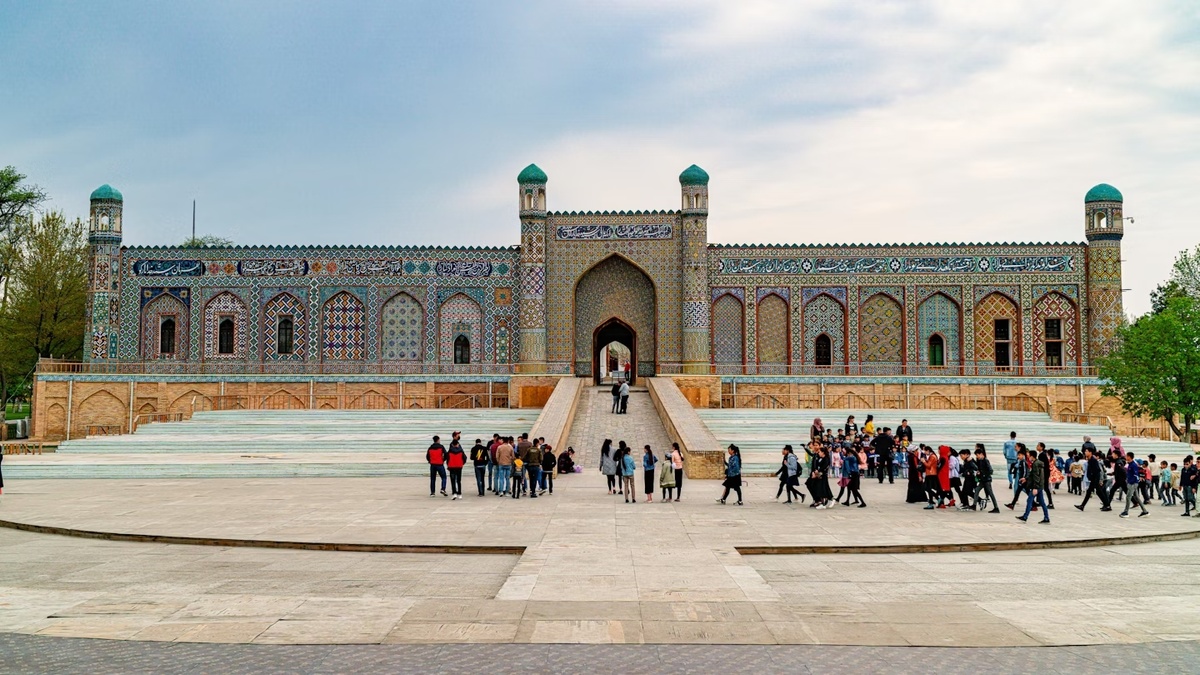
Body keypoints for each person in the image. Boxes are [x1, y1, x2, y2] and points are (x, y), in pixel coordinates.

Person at [1017, 451, 1050, 524]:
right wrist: (1026, 479)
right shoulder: (1037, 463)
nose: (1028, 457)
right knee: (1042, 502)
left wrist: (1035, 488)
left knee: (1029, 500)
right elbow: (1032, 474)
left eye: (1029, 456)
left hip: (1037, 486)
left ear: (1032, 456)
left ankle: (1025, 516)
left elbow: (1036, 477)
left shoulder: (1035, 464)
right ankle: (1046, 517)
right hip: (1040, 485)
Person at [1076, 446, 1108, 511]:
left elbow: (1098, 470)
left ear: (1090, 452)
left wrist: (1097, 479)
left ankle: (1107, 505)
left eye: (1086, 451)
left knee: (1098, 492)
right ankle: (1082, 506)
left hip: (1095, 478)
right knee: (1090, 492)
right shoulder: (1090, 460)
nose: (1085, 452)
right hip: (1093, 478)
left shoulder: (1093, 460)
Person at [1120, 451, 1149, 518]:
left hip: (1132, 483)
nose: (1125, 457)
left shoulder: (1133, 465)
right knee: (1136, 497)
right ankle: (1145, 511)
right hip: (1131, 482)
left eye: (1126, 456)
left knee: (1128, 497)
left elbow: (1136, 475)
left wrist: (1131, 482)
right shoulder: (1130, 464)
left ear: (1129, 457)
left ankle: (1126, 511)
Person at [974, 445, 1000, 513]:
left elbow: (990, 471)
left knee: (991, 493)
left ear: (981, 454)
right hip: (983, 480)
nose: (977, 456)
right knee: (976, 490)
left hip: (987, 480)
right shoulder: (979, 461)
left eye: (977, 455)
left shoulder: (985, 461)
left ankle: (996, 508)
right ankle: (974, 505)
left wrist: (982, 473)